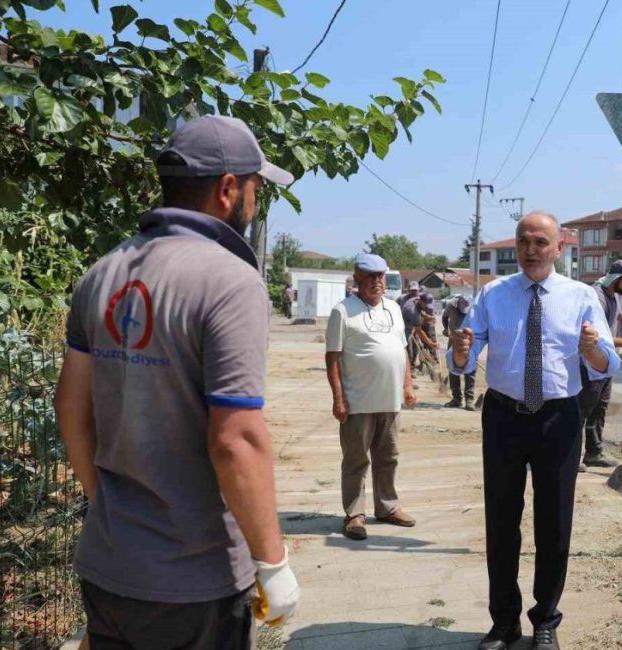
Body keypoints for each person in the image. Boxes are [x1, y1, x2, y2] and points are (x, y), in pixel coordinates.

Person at [54, 115, 300, 649]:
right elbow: (236, 438)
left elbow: (70, 407)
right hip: (194, 582)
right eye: (257, 186)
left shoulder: (103, 271)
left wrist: (109, 505)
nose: (257, 201)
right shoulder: (230, 280)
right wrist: (272, 560)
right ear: (228, 189)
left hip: (108, 567)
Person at [449, 212, 620, 650]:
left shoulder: (581, 296)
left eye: (540, 242)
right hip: (504, 417)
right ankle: (504, 621)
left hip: (557, 419)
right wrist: (461, 351)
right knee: (502, 520)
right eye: (523, 241)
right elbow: (466, 359)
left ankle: (546, 619)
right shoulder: (493, 294)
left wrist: (592, 349)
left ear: (559, 247)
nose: (529, 250)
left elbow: (606, 364)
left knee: (554, 521)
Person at [325, 253, 418, 541]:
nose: (377, 282)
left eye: (381, 276)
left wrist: (408, 385)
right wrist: (338, 398)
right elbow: (333, 357)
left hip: (390, 401)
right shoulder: (343, 311)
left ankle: (387, 506)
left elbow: (402, 350)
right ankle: (354, 514)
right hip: (357, 402)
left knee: (388, 457)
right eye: (371, 276)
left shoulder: (393, 308)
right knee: (355, 460)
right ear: (358, 278)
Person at [577, 259, 622, 470]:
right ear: (617, 278)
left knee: (599, 408)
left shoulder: (613, 296)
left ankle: (594, 453)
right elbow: (597, 336)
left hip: (606, 366)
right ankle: (571, 455)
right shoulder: (597, 296)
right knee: (582, 409)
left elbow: (614, 324)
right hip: (591, 365)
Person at [441, 294, 476, 410]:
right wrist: (446, 328)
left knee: (470, 370)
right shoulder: (451, 305)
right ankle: (456, 399)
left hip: (469, 342)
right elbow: (444, 317)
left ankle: (469, 400)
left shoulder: (474, 307)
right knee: (453, 369)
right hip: (453, 341)